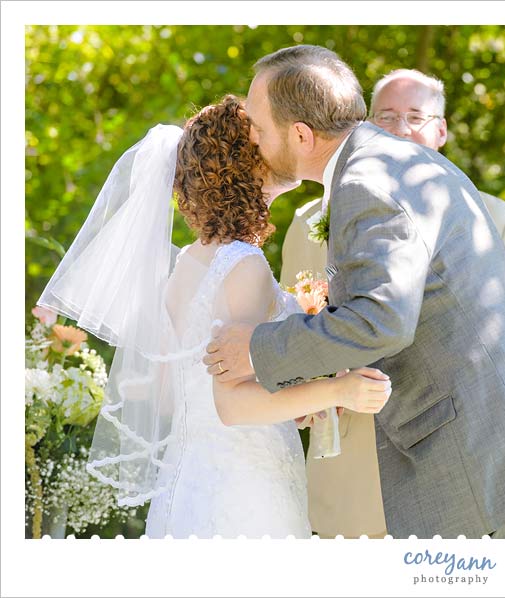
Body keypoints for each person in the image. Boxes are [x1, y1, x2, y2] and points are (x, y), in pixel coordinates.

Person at [205, 45, 505, 539]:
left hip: (489, 462)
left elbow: (381, 320)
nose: (252, 136)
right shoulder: (394, 161)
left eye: (258, 125)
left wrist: (256, 349)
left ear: (300, 134)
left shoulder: (367, 181)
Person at [38, 96, 391, 539]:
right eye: (263, 135)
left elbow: (175, 396)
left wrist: (288, 393)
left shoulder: (189, 263)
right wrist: (339, 389)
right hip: (245, 495)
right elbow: (232, 405)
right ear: (247, 165)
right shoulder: (242, 265)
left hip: (189, 486)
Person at [280, 68, 505, 539]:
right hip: (347, 462)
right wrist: (304, 390)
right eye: (386, 117)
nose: (400, 130)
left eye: (415, 117)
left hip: (455, 468)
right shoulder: (309, 221)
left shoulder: (495, 219)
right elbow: (291, 328)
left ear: (440, 132)